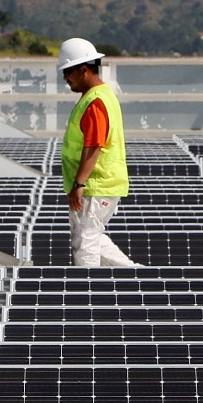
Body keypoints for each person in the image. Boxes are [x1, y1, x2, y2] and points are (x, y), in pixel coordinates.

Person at [57, 37, 137, 267]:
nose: (65, 78)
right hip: (98, 184)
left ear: (83, 69)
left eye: (68, 72)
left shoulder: (95, 102)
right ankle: (136, 275)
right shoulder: (97, 96)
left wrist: (79, 184)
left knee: (86, 243)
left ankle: (87, 286)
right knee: (92, 236)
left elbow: (94, 145)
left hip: (95, 184)